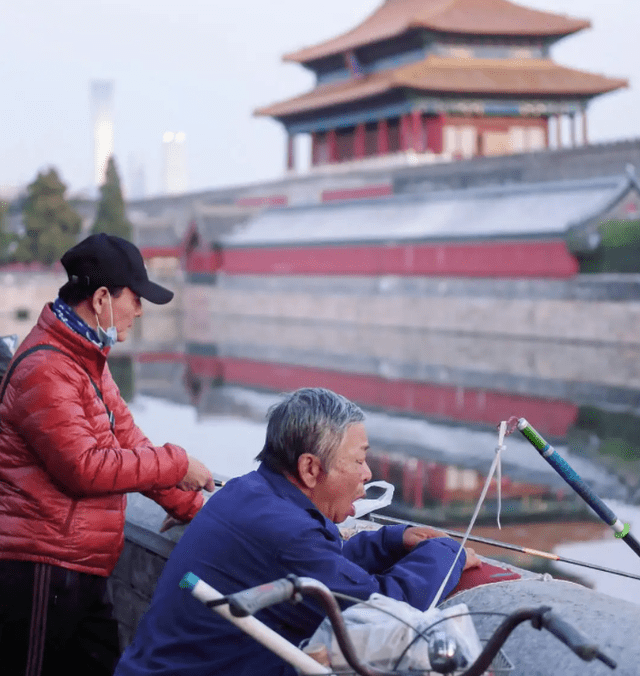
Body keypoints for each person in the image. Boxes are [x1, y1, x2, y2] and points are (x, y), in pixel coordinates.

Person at [115, 387, 480, 676]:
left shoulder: (248, 491)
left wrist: (389, 541)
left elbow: (318, 566)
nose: (367, 474)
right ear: (309, 468)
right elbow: (383, 610)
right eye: (358, 460)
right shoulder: (286, 532)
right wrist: (448, 554)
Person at [0, 233, 215, 676]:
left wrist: (195, 507)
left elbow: (132, 447)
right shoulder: (46, 368)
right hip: (40, 567)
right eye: (134, 298)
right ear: (101, 298)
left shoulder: (87, 359)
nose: (140, 310)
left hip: (81, 568)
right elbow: (86, 468)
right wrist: (179, 462)